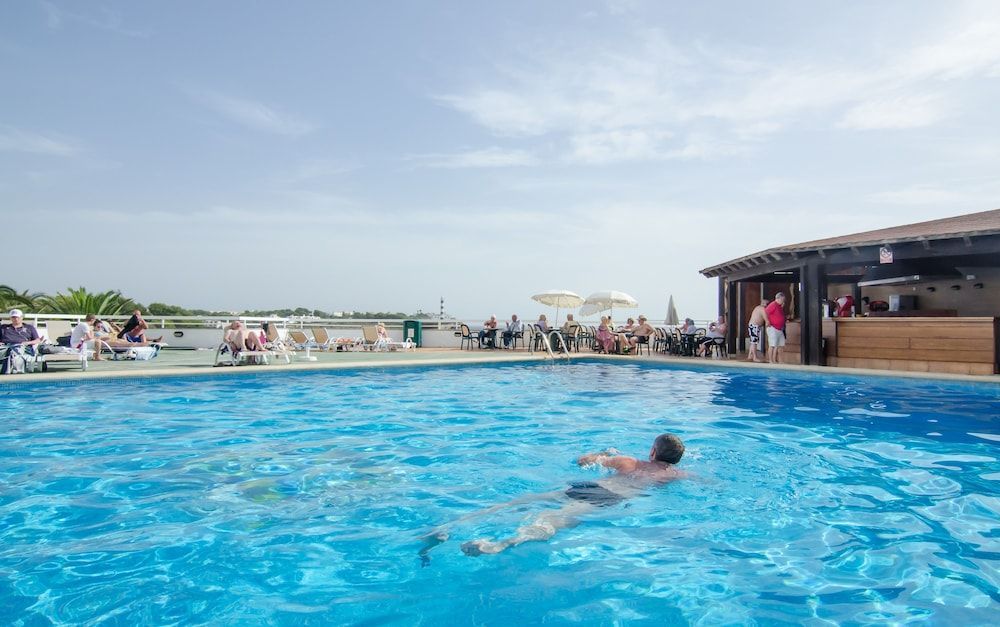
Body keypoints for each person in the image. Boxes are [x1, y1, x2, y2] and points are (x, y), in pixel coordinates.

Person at [418, 434, 687, 560]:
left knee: (517, 503)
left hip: (585, 485)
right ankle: (499, 545)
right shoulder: (674, 475)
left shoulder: (627, 461)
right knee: (551, 521)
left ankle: (450, 526)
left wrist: (600, 454)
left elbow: (585, 460)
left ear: (652, 451)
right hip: (610, 499)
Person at [765, 292, 787, 363]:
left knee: (781, 345)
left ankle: (780, 360)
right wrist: (767, 321)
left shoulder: (779, 306)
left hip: (780, 329)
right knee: (772, 345)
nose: (783, 301)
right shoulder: (773, 304)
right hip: (773, 328)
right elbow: (765, 312)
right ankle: (771, 360)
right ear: (778, 298)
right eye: (782, 299)